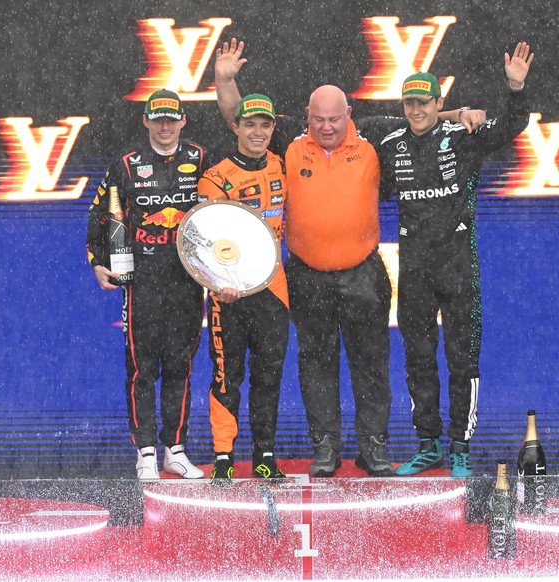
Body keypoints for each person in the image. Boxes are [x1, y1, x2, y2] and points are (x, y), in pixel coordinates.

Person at [214, 39, 486, 478]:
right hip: (307, 274)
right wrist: (226, 80)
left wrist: (461, 115)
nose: (326, 127)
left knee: (371, 363)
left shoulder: (376, 135)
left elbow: (420, 120)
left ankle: (373, 448)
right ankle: (325, 449)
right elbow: (238, 119)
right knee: (315, 363)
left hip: (363, 274)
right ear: (306, 117)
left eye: (335, 119)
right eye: (318, 119)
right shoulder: (291, 142)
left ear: (349, 116)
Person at [376, 43, 534, 477]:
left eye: (423, 102)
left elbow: (511, 126)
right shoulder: (389, 143)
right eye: (409, 102)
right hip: (414, 269)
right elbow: (348, 140)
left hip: (458, 263)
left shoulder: (462, 138)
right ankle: (427, 445)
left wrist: (515, 88)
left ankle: (460, 446)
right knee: (418, 359)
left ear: (437, 102)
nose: (416, 109)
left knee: (463, 359)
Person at [86, 89, 209, 480]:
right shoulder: (126, 164)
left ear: (183, 120)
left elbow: (222, 212)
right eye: (158, 119)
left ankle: (175, 449)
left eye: (172, 118)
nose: (165, 126)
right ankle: (145, 453)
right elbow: (101, 215)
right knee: (142, 369)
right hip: (142, 278)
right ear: (146, 121)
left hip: (188, 277)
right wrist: (97, 261)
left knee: (180, 366)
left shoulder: (201, 159)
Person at [196, 93, 289, 483]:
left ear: (272, 128)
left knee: (269, 375)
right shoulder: (215, 177)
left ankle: (265, 455)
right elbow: (201, 241)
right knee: (225, 376)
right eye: (249, 124)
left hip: (273, 289)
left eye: (264, 125)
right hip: (228, 294)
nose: (257, 132)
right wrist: (220, 284)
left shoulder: (283, 164)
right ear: (235, 126)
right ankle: (223, 457)